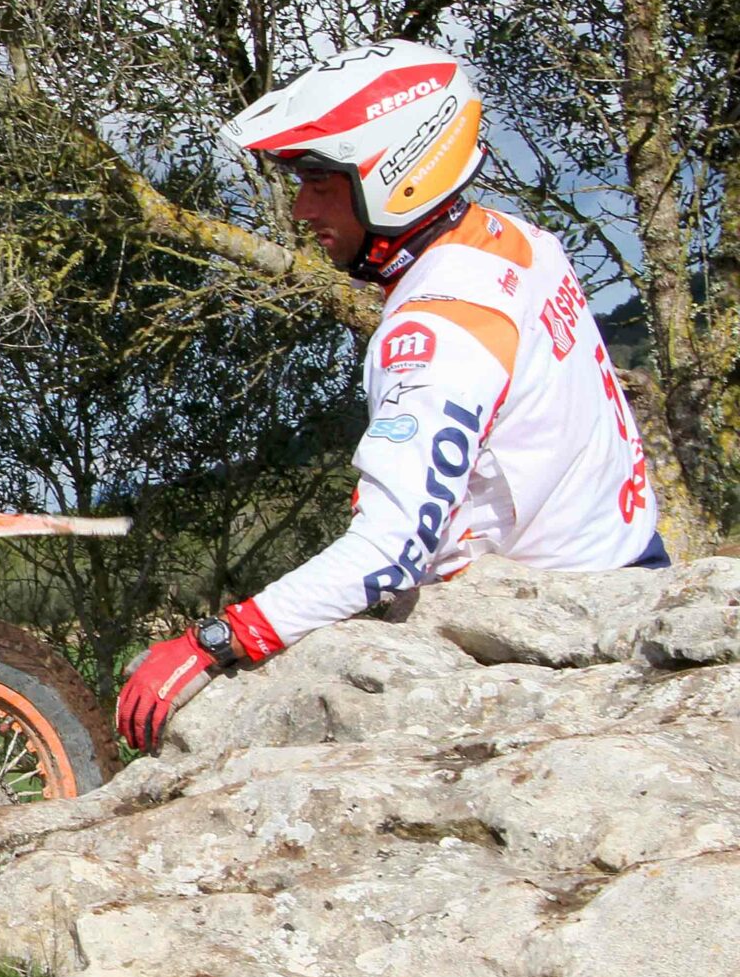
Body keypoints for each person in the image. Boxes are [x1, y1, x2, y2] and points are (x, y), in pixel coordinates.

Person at [116, 41, 666, 753]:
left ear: (394, 174)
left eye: (319, 182)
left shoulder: (435, 328)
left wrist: (214, 639)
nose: (298, 210)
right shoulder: (517, 242)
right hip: (630, 576)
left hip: (551, 639)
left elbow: (390, 550)